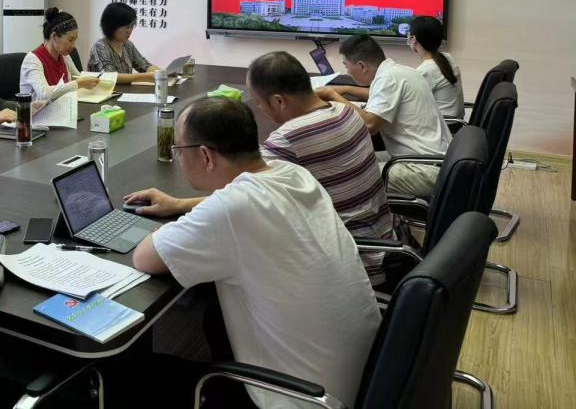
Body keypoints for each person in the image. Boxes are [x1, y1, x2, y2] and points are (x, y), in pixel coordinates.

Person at [125, 97, 380, 408]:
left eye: (178, 150)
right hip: (364, 375)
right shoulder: (291, 173)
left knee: (135, 374)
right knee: (214, 315)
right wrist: (180, 205)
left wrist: (189, 219)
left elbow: (144, 257)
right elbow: (240, 205)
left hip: (301, 398)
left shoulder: (231, 210)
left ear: (205, 156)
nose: (177, 158)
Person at [247, 51, 392, 284]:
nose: (260, 109)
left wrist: (183, 204)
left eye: (259, 103)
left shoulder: (286, 140)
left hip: (351, 262)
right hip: (384, 236)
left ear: (278, 101)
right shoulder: (347, 111)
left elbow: (240, 196)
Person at [316, 35, 451, 199]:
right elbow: (380, 96)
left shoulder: (387, 79)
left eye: (346, 65)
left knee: (346, 174)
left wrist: (332, 95)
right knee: (354, 157)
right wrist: (345, 89)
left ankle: (369, 215)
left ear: (362, 66)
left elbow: (369, 125)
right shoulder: (399, 71)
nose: (347, 71)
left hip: (424, 169)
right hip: (434, 160)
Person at [19, 7, 100, 101]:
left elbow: (78, 77)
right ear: (54, 36)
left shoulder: (65, 57)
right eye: (70, 40)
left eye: (75, 40)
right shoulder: (32, 60)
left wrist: (103, 80)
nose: (73, 45)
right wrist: (79, 83)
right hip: (37, 110)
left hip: (62, 107)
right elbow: (44, 93)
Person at [86, 2, 161, 83]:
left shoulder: (128, 45)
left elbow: (144, 65)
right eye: (127, 27)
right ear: (112, 26)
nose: (130, 31)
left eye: (132, 26)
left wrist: (162, 73)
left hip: (125, 91)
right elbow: (109, 76)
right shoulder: (100, 47)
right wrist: (145, 76)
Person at [408, 15, 464, 120]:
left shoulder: (426, 71)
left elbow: (408, 103)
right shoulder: (447, 57)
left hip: (442, 126)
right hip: (454, 123)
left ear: (413, 39)